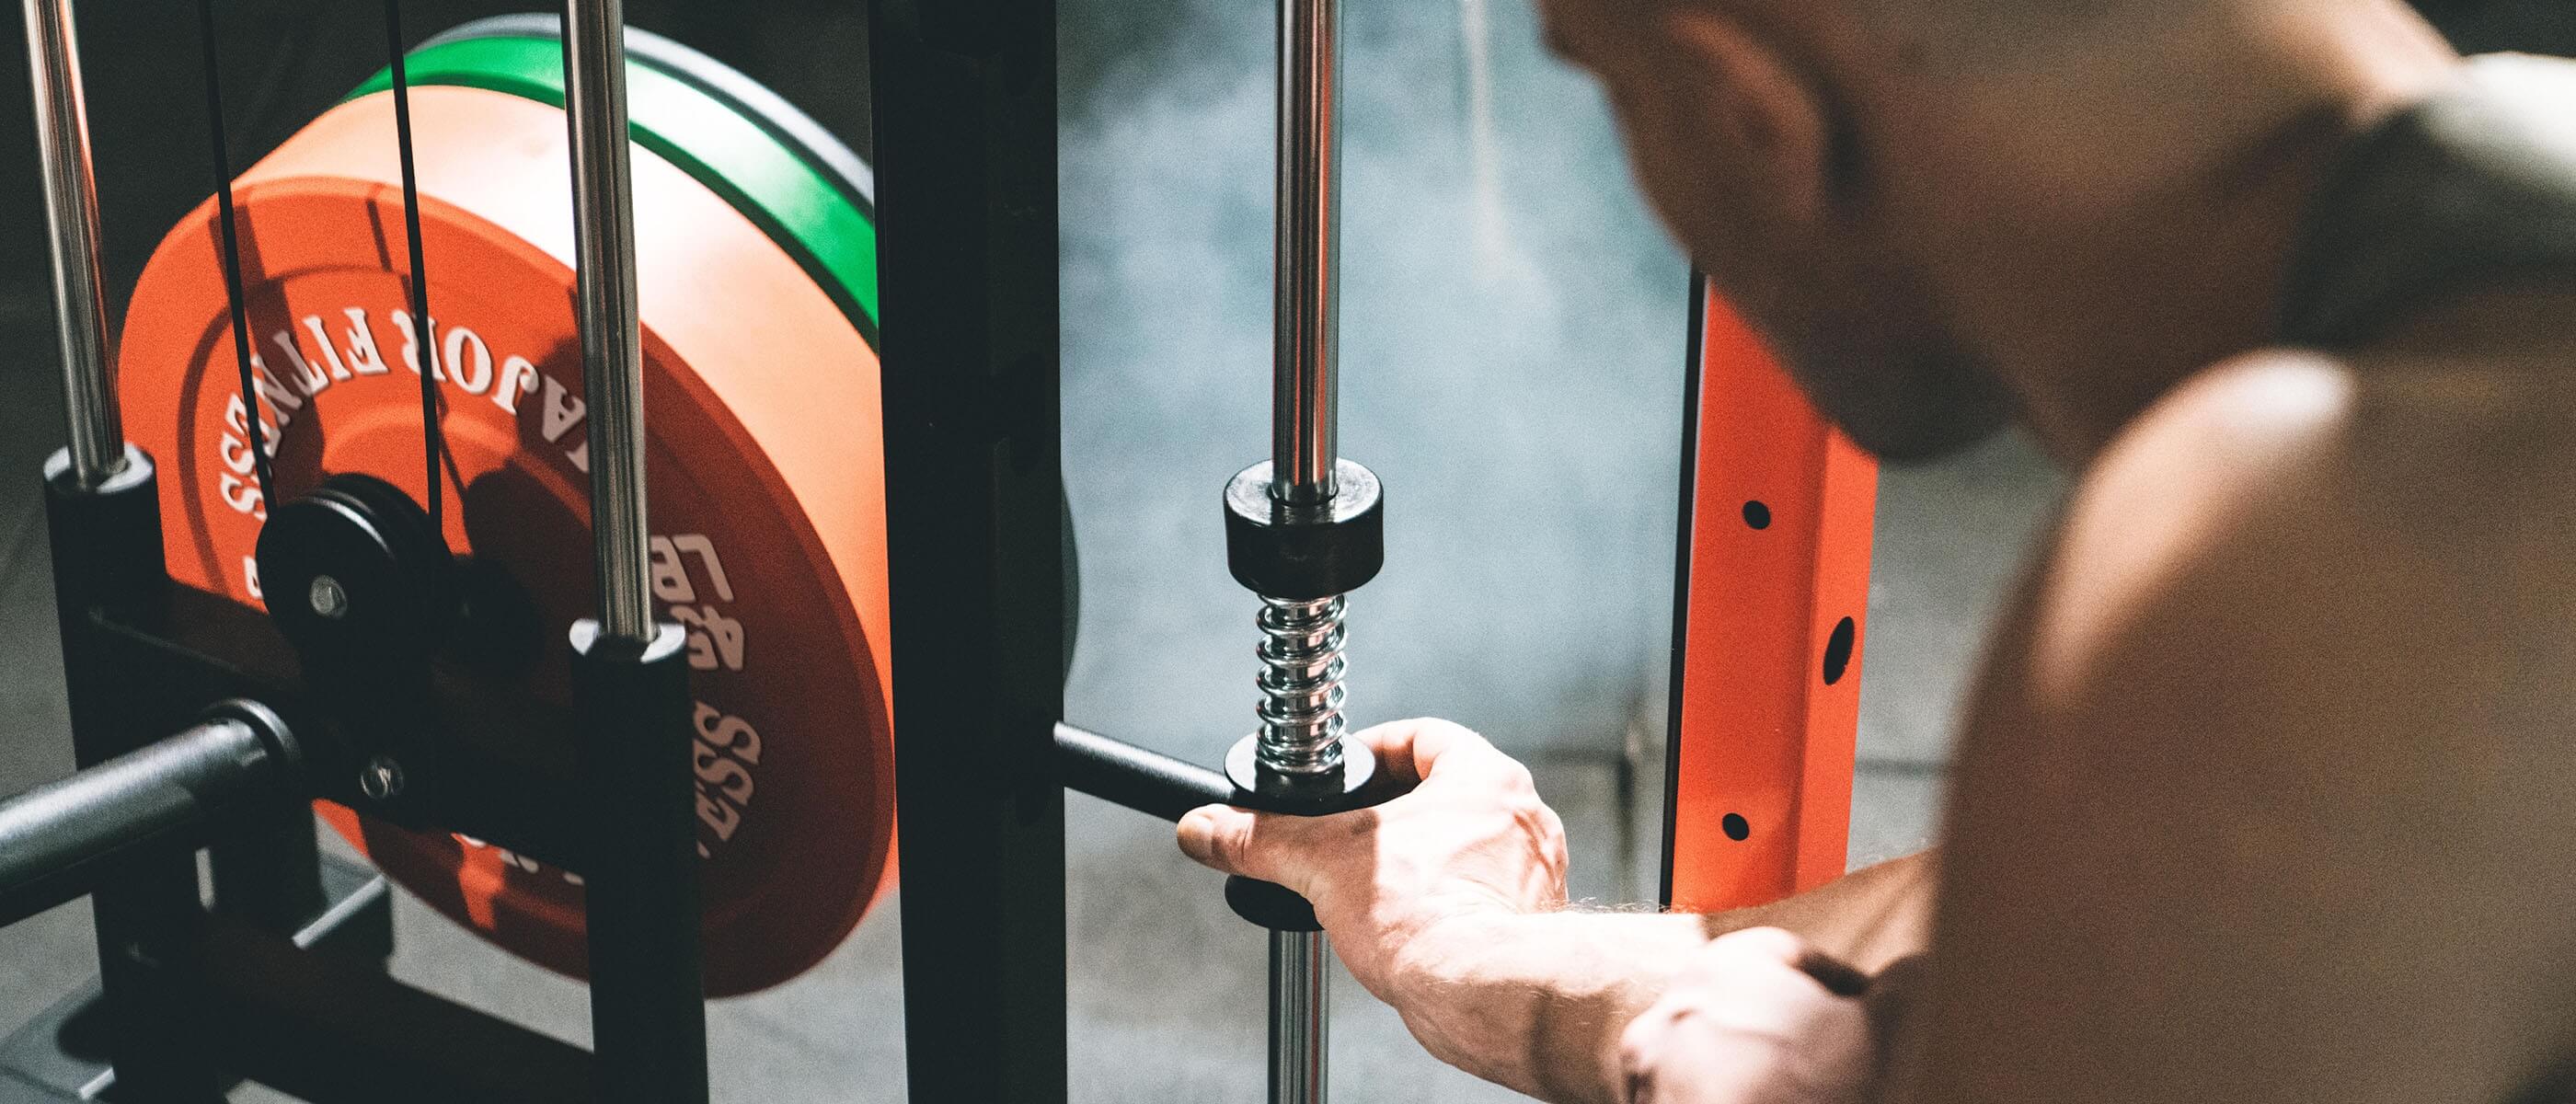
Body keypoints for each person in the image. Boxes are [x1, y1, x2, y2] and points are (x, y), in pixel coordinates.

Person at [1176, 0, 2576, 1100]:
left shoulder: (2311, 555)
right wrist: (1462, 950)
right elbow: (2021, 952)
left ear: (1753, 112)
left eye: (1607, 80)